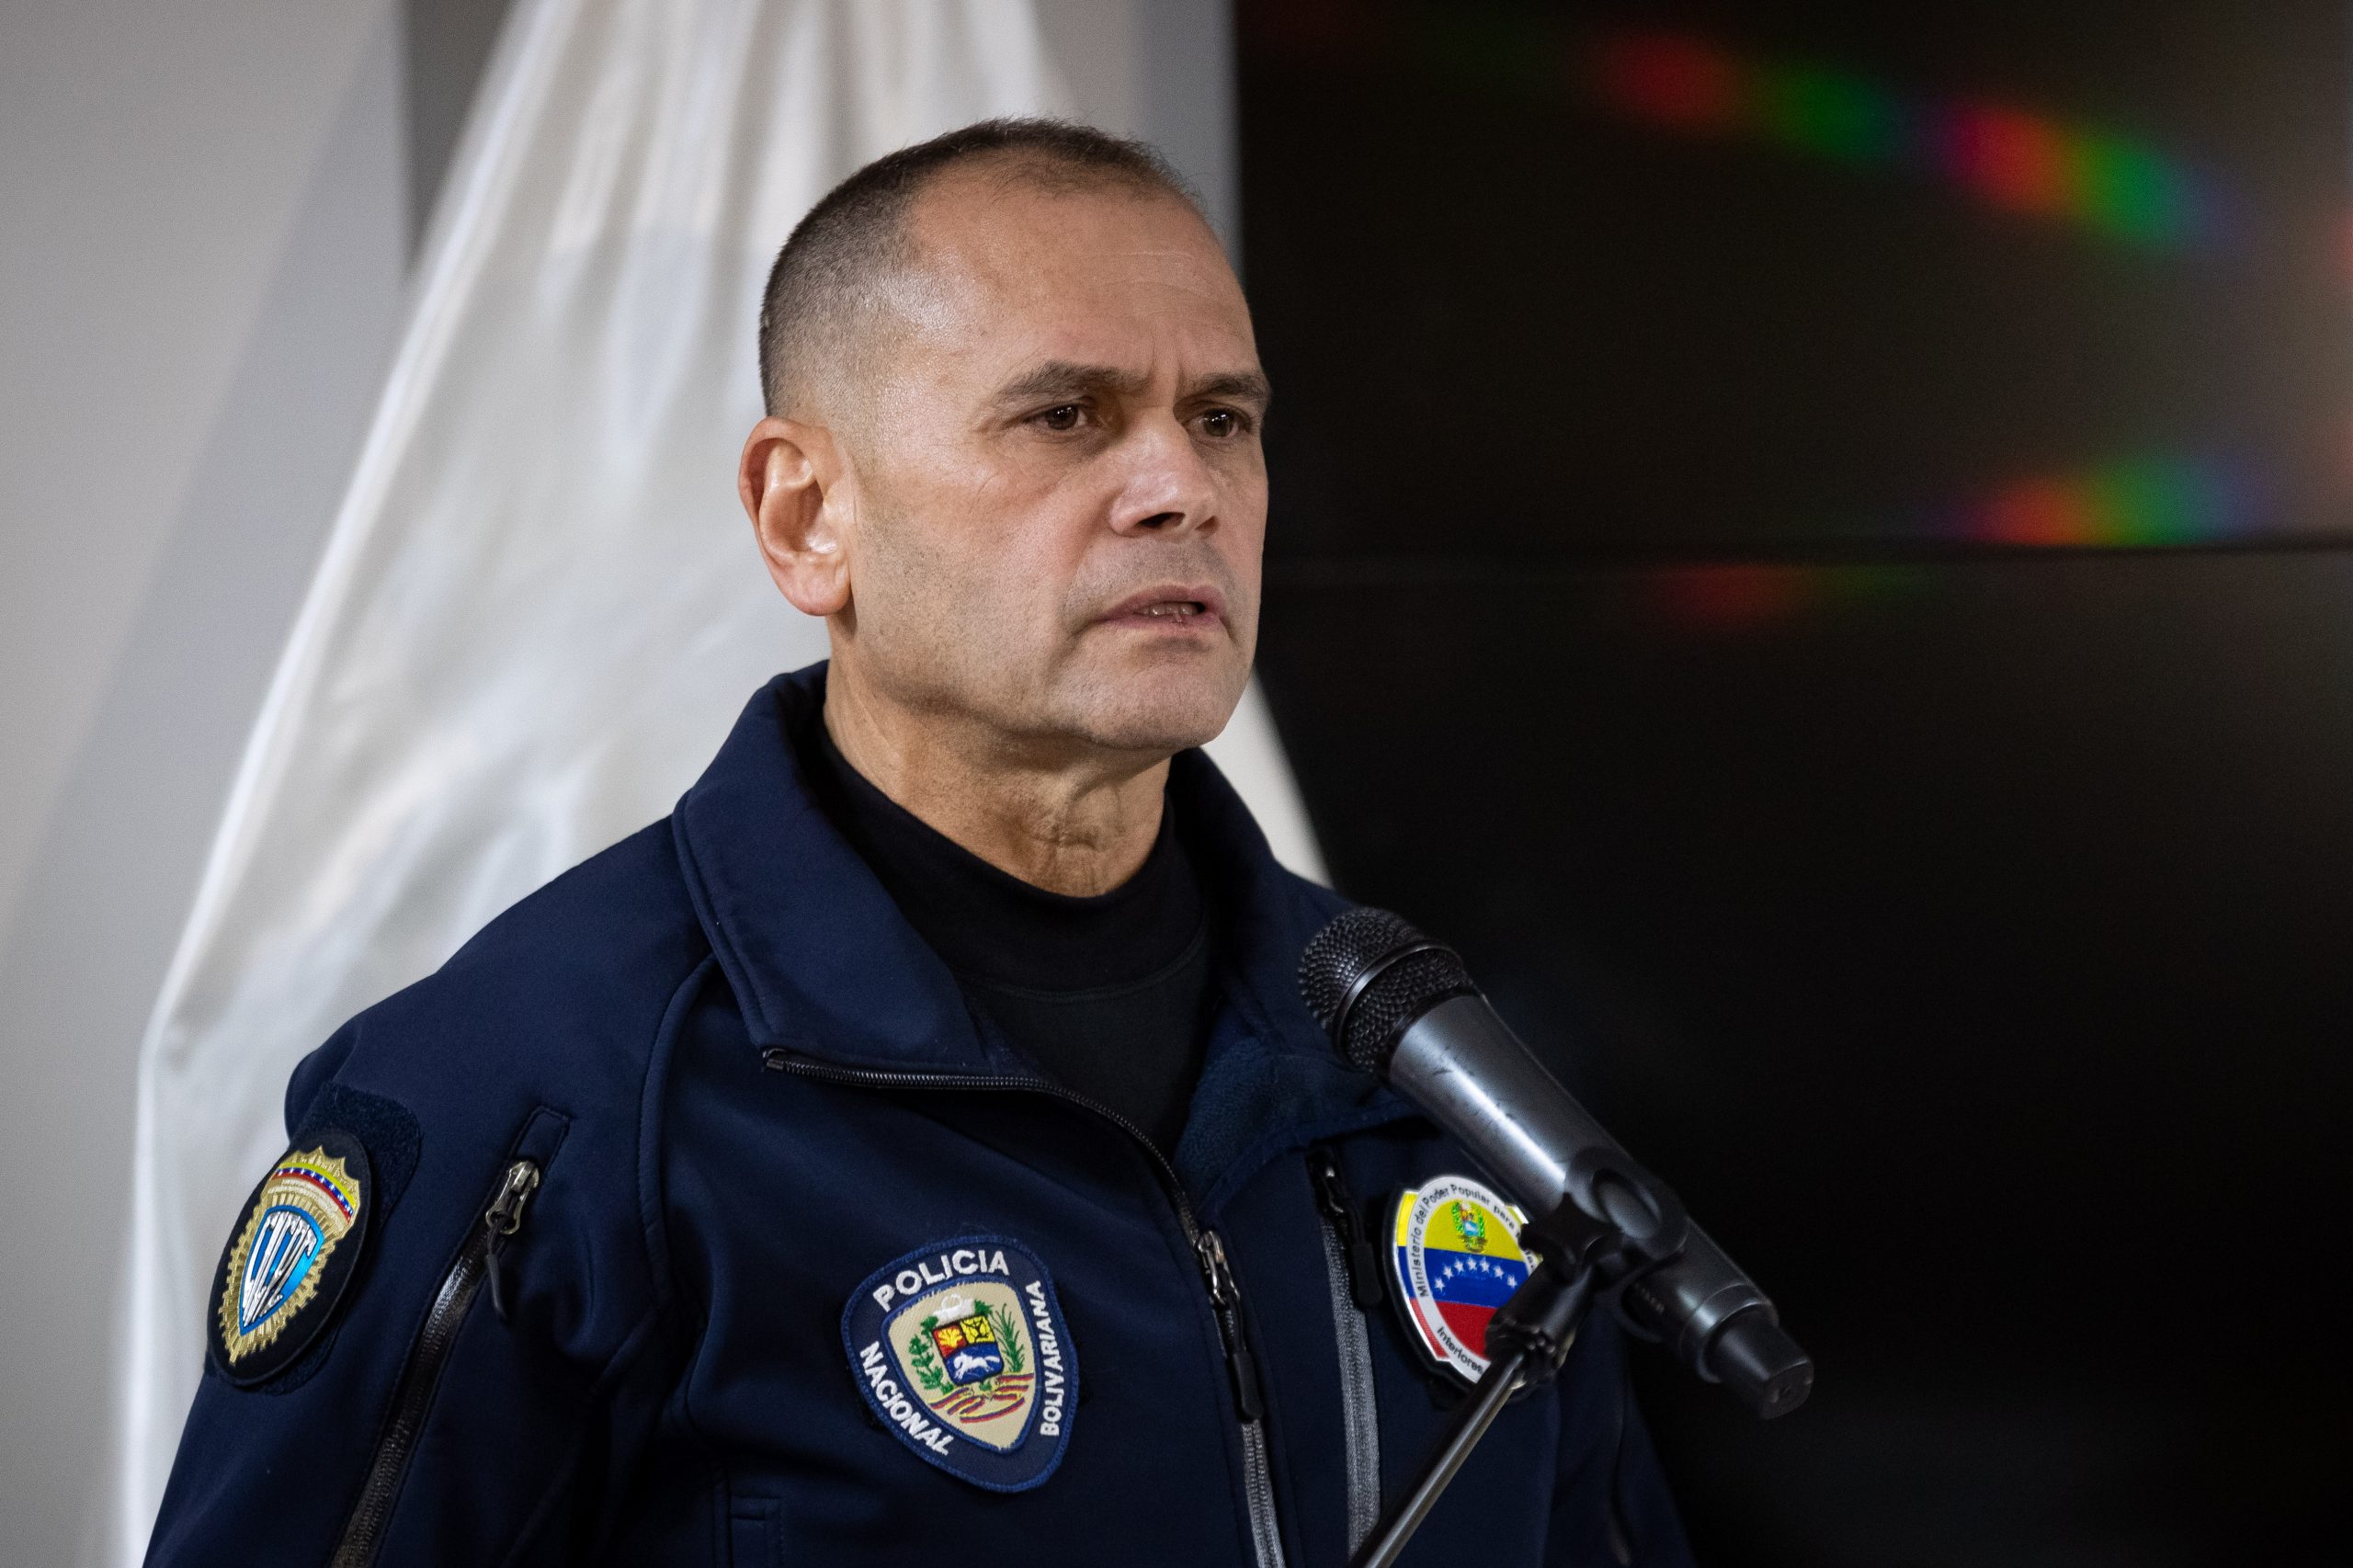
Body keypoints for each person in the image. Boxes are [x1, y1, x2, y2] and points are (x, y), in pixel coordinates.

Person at [146, 119, 1690, 1568]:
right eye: (1066, 415)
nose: (1183, 490)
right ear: (806, 515)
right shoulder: (536, 1096)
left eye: (1223, 419)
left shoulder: (1411, 1062)